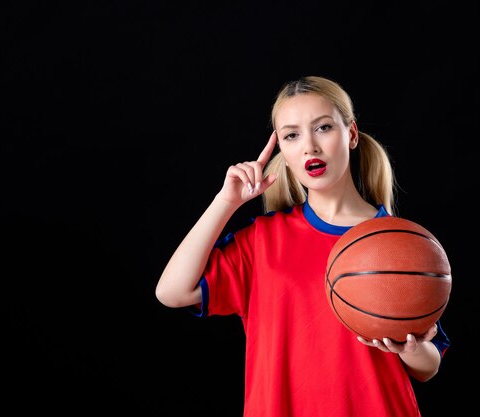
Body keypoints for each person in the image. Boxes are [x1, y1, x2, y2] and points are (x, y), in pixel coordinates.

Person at [155, 75, 450, 417]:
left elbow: (429, 366)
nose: (309, 146)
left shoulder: (399, 243)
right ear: (282, 148)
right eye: (292, 135)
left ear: (351, 134)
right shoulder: (263, 240)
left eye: (323, 128)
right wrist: (226, 201)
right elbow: (172, 292)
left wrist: (409, 348)